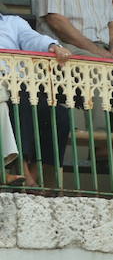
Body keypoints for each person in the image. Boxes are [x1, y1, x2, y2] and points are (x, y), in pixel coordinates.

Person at [0, 14, 73, 190]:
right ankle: (24, 173)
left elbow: (32, 39)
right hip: (6, 92)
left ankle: (36, 175)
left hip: (21, 85)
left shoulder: (12, 22)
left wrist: (52, 46)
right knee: (21, 103)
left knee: (60, 115)